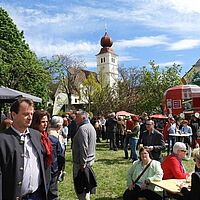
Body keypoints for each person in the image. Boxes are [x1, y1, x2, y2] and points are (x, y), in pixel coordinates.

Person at [0, 97, 48, 199]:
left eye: (31, 114)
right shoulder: (3, 140)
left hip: (37, 195)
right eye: (26, 114)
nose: (30, 117)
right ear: (14, 115)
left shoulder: (36, 135)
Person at [72, 111, 97, 200]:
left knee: (80, 186)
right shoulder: (90, 127)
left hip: (82, 163)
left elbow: (84, 147)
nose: (75, 119)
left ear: (83, 118)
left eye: (77, 117)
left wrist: (82, 163)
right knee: (86, 185)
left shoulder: (83, 128)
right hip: (89, 161)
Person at [30, 110, 52, 190]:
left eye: (47, 121)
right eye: (42, 122)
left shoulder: (45, 136)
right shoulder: (32, 137)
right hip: (36, 177)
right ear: (36, 122)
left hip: (46, 174)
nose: (45, 124)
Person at [48, 116, 65, 200]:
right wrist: (60, 169)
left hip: (46, 167)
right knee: (53, 193)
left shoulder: (45, 134)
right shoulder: (57, 138)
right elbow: (61, 155)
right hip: (53, 168)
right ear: (58, 126)